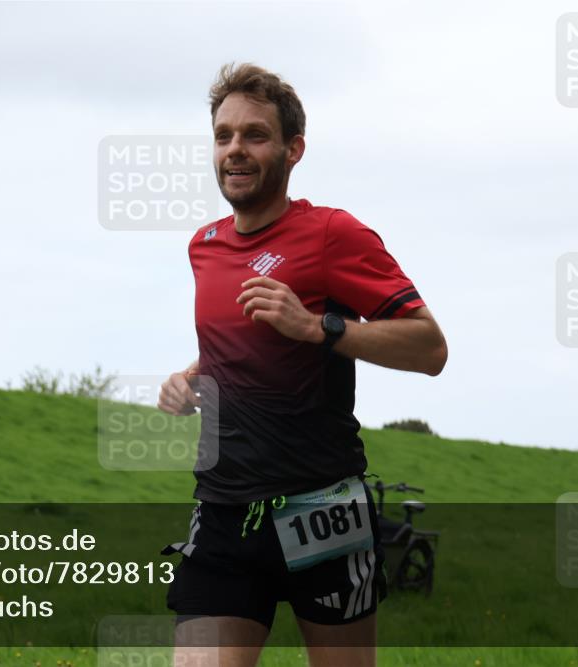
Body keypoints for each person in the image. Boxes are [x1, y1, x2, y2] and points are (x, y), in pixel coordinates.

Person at [157, 63, 448, 667]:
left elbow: (429, 348)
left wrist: (318, 327)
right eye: (223, 136)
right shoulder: (204, 246)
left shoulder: (333, 234)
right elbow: (239, 339)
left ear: (294, 150)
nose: (235, 149)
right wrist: (192, 377)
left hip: (323, 507)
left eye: (255, 135)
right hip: (225, 509)